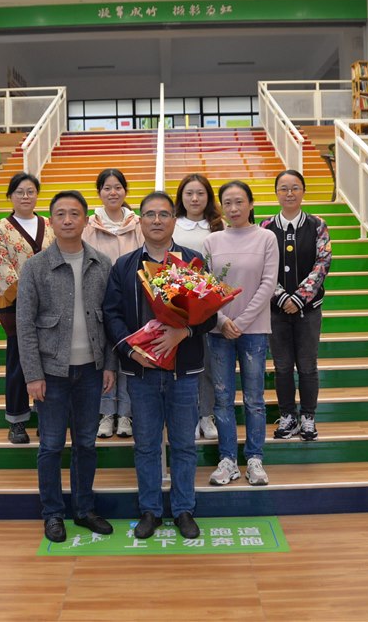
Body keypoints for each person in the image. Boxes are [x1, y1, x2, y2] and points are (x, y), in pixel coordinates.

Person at [104, 191, 217, 540]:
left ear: (173, 220)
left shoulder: (193, 262)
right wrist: (129, 351)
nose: (156, 220)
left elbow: (210, 314)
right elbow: (112, 314)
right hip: (142, 372)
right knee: (147, 444)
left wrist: (184, 332)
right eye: (150, 214)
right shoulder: (125, 266)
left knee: (183, 444)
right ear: (140, 221)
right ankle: (150, 510)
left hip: (184, 372)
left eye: (164, 214)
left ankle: (184, 509)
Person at [17, 190, 117, 544]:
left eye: (75, 213)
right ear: (51, 221)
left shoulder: (102, 263)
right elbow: (24, 325)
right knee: (51, 445)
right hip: (51, 373)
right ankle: (53, 513)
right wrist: (33, 375)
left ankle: (84, 509)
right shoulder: (35, 267)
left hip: (91, 370)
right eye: (60, 214)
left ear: (86, 220)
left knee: (86, 443)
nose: (68, 220)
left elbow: (110, 319)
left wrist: (109, 365)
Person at [203, 180, 278, 487]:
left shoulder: (266, 237)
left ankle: (255, 459)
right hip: (218, 331)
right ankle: (228, 460)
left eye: (239, 202)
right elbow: (206, 287)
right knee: (222, 398)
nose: (233, 208)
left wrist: (242, 322)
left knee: (254, 399)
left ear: (250, 203)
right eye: (227, 203)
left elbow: (268, 284)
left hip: (254, 331)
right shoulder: (212, 241)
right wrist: (222, 321)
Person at [261, 169, 332, 442]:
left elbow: (322, 262)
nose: (289, 193)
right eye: (283, 188)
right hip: (276, 311)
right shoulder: (266, 227)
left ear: (303, 191)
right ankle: (287, 415)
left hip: (308, 310)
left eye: (294, 188)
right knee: (281, 366)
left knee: (307, 365)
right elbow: (262, 266)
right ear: (276, 192)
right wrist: (280, 297)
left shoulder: (317, 225)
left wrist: (300, 297)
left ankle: (308, 417)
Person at [0, 173, 55, 444]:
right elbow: (0, 266)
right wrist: (28, 296)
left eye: (30, 191)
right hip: (18, 306)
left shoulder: (49, 224)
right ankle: (16, 421)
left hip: (51, 306)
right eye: (19, 192)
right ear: (10, 196)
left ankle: (46, 417)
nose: (25, 196)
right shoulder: (1, 228)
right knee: (18, 362)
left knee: (49, 362)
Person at [82, 168, 144, 439]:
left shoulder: (138, 224)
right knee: (105, 358)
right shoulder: (89, 226)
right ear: (99, 192)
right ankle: (106, 413)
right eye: (107, 188)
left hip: (133, 301)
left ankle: (126, 415)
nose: (113, 192)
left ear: (125, 191)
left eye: (118, 187)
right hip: (98, 302)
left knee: (128, 356)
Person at [172, 174, 224, 441]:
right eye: (189, 193)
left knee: (208, 364)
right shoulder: (173, 224)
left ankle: (206, 414)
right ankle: (189, 415)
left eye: (200, 193)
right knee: (185, 365)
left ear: (209, 197)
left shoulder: (218, 226)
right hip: (178, 307)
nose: (194, 199)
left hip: (209, 308)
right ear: (181, 197)